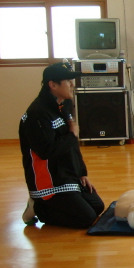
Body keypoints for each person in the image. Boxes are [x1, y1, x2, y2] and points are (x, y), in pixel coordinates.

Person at [19, 61, 104, 229]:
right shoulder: (37, 113)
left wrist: (81, 173)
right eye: (68, 81)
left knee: (97, 207)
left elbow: (71, 146)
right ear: (53, 85)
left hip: (67, 174)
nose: (72, 85)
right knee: (86, 219)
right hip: (48, 181)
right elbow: (46, 151)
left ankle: (53, 204)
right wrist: (72, 135)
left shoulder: (63, 104)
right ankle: (37, 207)